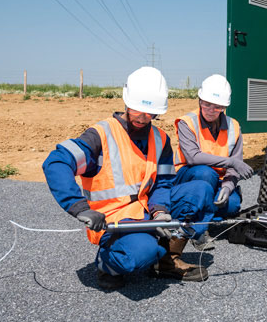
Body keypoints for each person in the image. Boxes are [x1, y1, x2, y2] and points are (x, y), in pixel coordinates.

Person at [42, 66, 212, 290]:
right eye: (138, 110)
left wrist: (160, 211)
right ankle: (107, 263)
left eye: (151, 113)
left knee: (200, 190)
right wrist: (79, 207)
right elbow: (56, 162)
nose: (144, 117)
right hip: (113, 220)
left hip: (146, 212)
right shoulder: (101, 135)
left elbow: (163, 182)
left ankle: (166, 260)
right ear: (126, 101)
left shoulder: (160, 139)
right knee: (142, 253)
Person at [173, 74, 254, 249]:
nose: (210, 109)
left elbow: (235, 167)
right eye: (206, 104)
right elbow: (193, 157)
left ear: (224, 107)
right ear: (199, 100)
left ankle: (201, 215)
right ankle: (197, 230)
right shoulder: (187, 122)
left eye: (217, 107)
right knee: (205, 172)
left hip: (216, 181)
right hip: (189, 178)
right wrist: (231, 162)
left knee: (232, 203)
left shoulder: (234, 126)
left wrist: (227, 186)